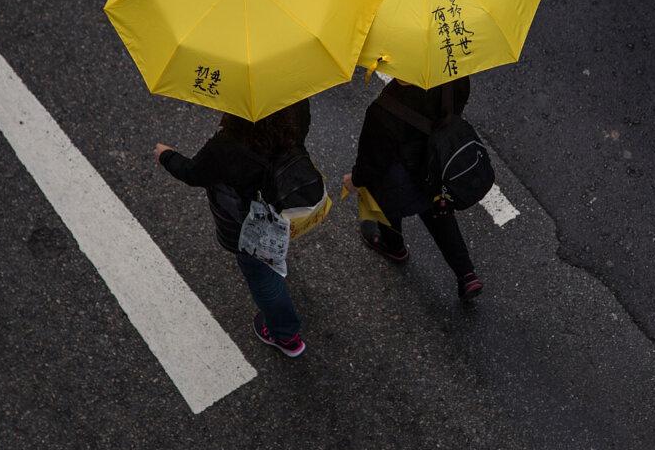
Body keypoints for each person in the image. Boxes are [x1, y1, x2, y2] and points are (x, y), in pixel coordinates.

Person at [154, 100, 311, 358]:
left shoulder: (230, 143)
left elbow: (194, 173)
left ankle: (286, 336)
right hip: (283, 199)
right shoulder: (296, 104)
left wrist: (166, 155)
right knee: (273, 252)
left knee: (261, 275)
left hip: (248, 223)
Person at [343, 77, 483, 301]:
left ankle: (393, 245)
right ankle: (466, 274)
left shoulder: (382, 111)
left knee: (378, 195)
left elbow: (371, 164)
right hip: (437, 166)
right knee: (440, 213)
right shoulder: (455, 79)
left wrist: (355, 180)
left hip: (403, 180)